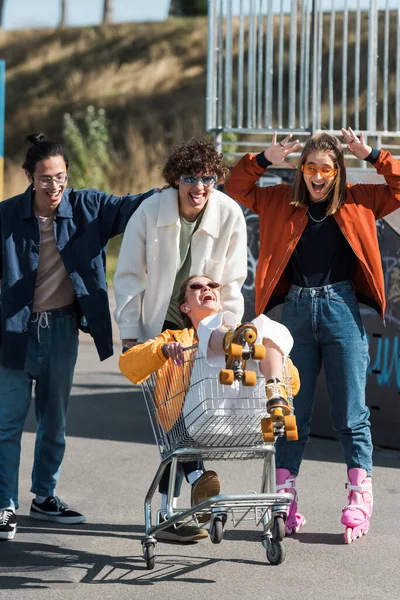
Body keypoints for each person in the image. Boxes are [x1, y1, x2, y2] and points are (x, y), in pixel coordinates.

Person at [224, 127, 400, 544]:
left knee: (351, 412)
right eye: (310, 168)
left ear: (338, 171)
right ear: (301, 171)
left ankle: (360, 495)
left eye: (326, 169)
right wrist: (264, 159)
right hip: (296, 316)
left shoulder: (361, 198)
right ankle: (285, 493)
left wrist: (372, 154)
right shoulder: (278, 200)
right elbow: (235, 187)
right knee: (290, 412)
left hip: (341, 311)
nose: (318, 177)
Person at [0, 132, 156, 540]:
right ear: (30, 177)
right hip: (14, 334)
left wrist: (180, 183)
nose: (54, 187)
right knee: (7, 423)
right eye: (46, 178)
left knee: (54, 423)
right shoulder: (6, 216)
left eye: (61, 177)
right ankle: (4, 505)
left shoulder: (87, 207)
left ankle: (44, 497)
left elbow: (132, 206)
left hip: (62, 331)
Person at [114, 135, 248, 542]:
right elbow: (129, 278)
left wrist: (227, 334)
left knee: (187, 416)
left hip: (207, 328)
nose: (199, 186)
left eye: (208, 178)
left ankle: (176, 504)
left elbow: (234, 282)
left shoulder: (229, 214)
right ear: (176, 179)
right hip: (163, 328)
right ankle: (190, 485)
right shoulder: (150, 211)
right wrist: (132, 336)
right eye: (190, 177)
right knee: (173, 415)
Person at [119, 275, 299, 543]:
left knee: (267, 326)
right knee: (208, 332)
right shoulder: (176, 338)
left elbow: (294, 383)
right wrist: (163, 350)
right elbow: (128, 364)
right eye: (197, 287)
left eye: (213, 286)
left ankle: (273, 389)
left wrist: (275, 361)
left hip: (248, 416)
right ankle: (197, 477)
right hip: (202, 416)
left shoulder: (249, 334)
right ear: (185, 307)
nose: (207, 289)